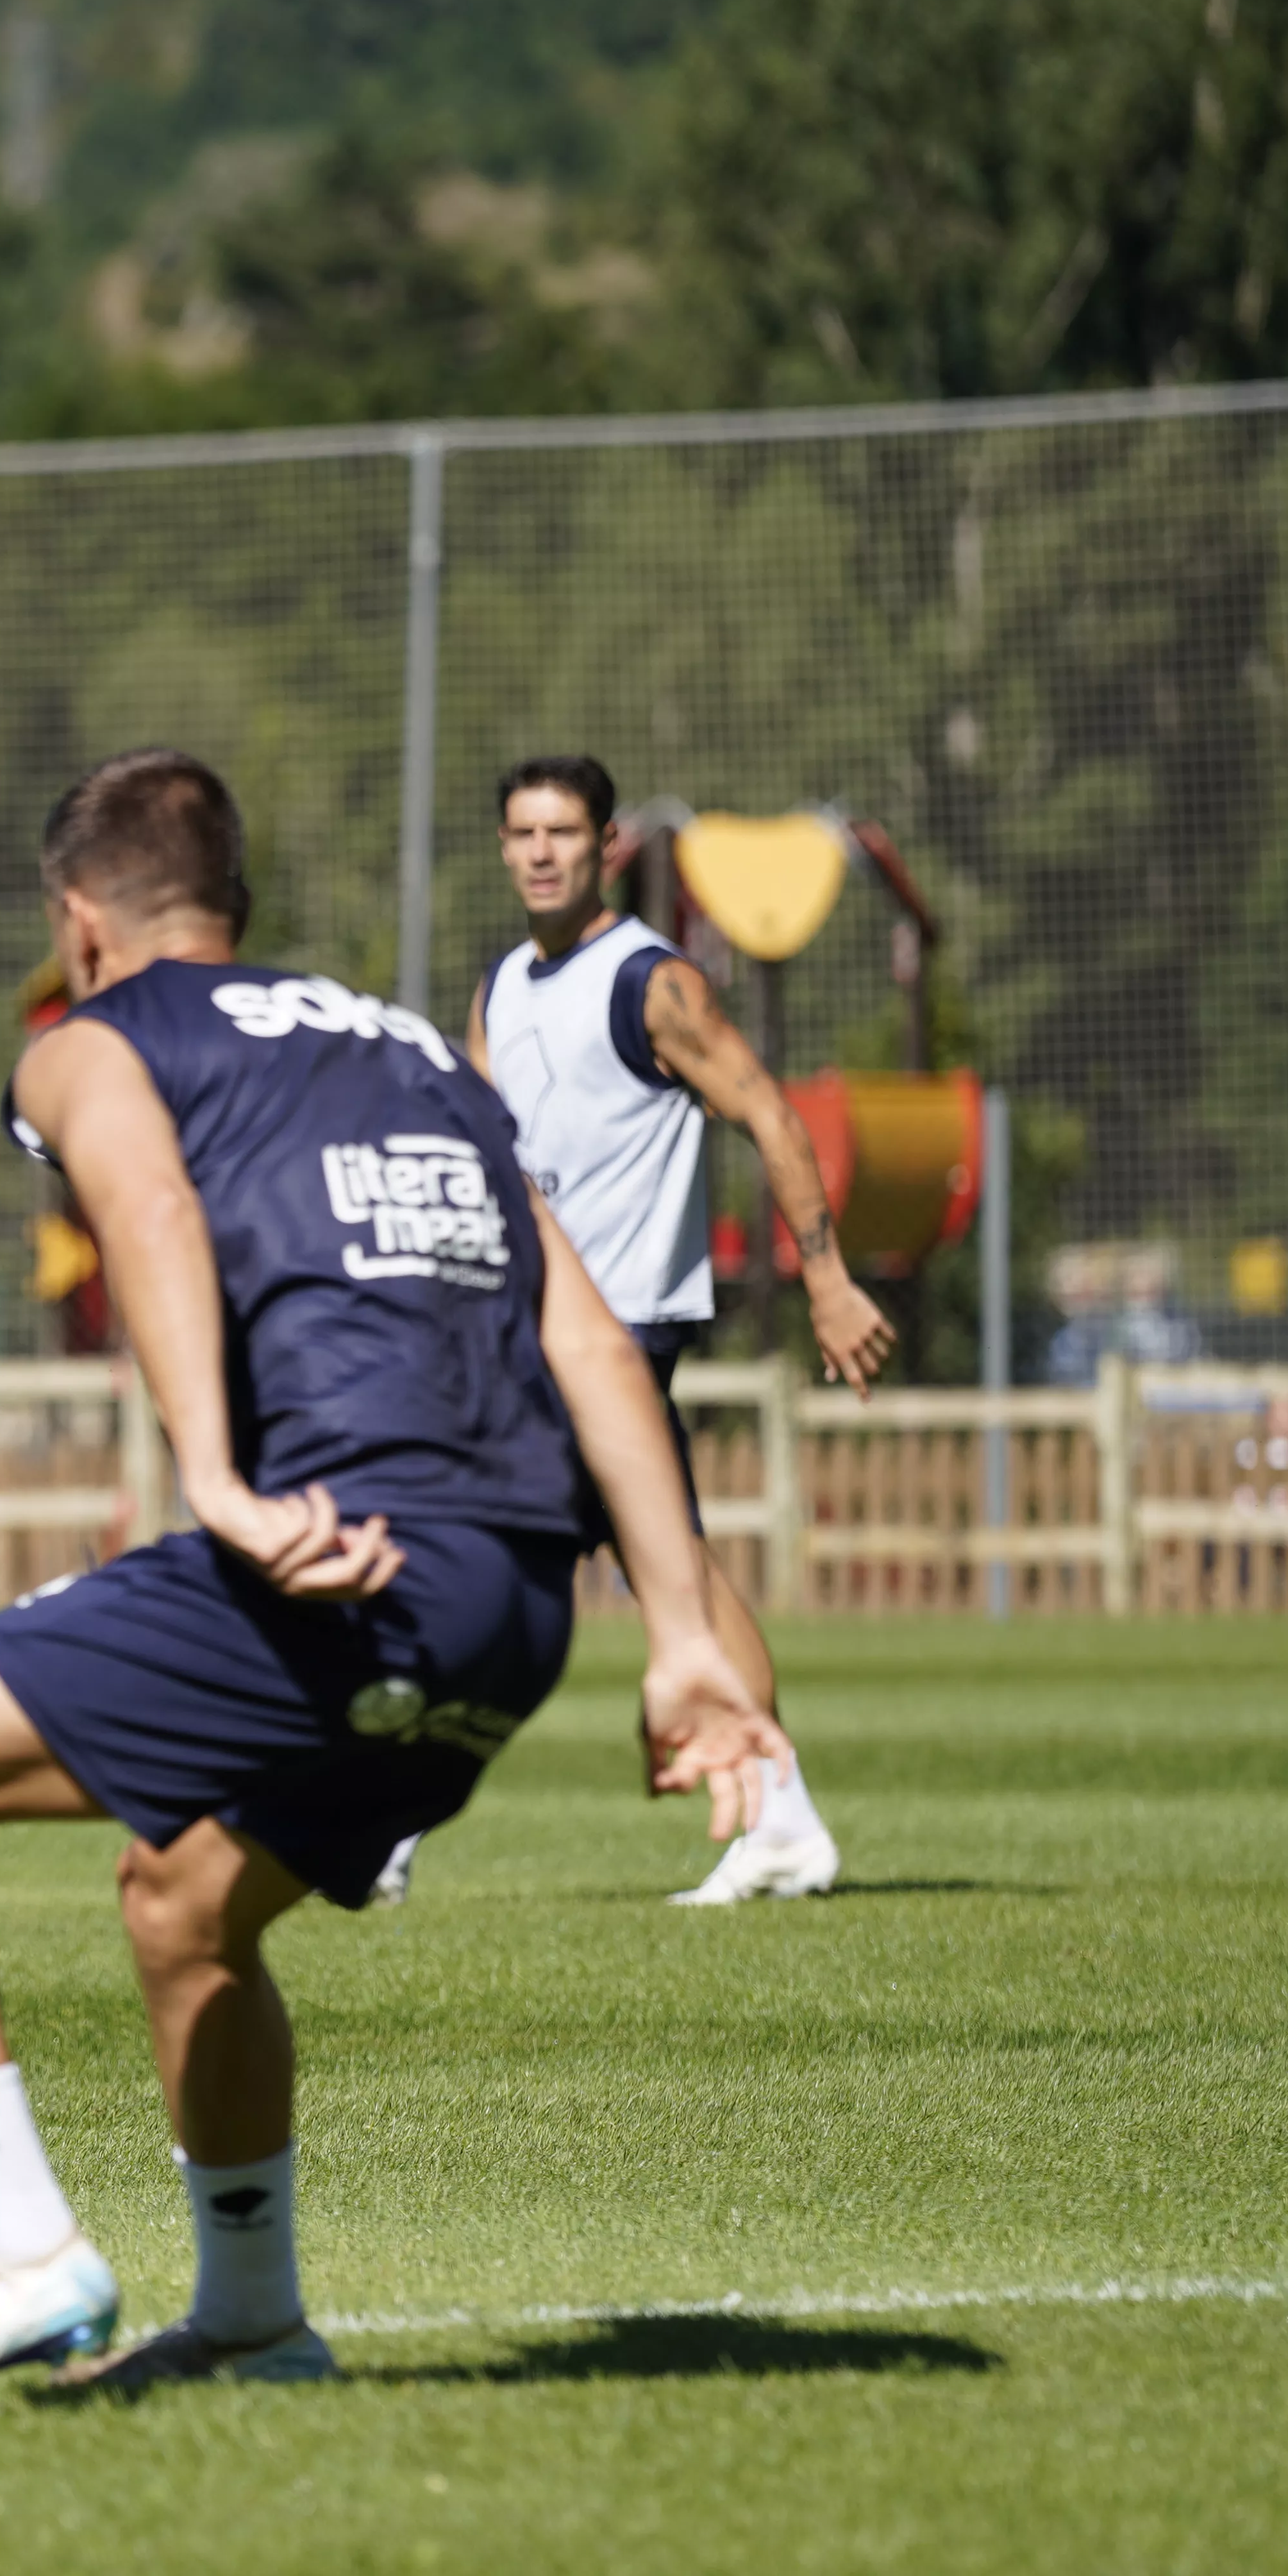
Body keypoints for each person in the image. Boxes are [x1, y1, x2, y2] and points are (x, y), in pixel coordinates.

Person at [0, 750, 785, 2410]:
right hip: (516, 1612)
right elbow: (587, 1335)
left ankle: (11, 2244)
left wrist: (219, 1487)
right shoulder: (417, 1052)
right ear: (232, 903)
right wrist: (679, 1634)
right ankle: (253, 2316)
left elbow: (151, 1209)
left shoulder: (90, 1042)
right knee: (186, 1904)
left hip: (334, 1565)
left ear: (78, 920)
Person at [458, 756, 887, 1903]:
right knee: (671, 1571)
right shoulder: (500, 988)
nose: (541, 851)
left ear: (605, 847)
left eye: (563, 832)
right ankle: (782, 1809)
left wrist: (828, 1278)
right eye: (521, 833)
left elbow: (767, 1112)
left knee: (502, 1541)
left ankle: (384, 1813)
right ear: (502, 848)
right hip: (532, 1329)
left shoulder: (652, 983)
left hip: (625, 1328)